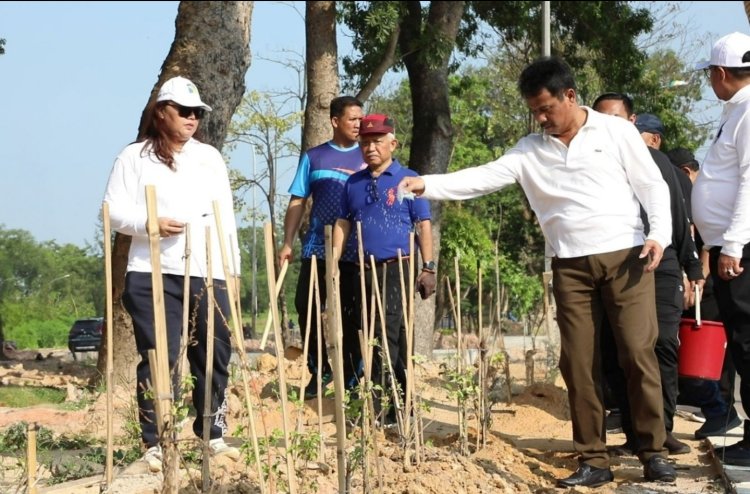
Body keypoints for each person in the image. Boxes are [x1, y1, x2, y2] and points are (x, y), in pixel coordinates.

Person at [399, 57, 676, 487]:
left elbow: (652, 186)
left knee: (638, 354)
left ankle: (654, 452)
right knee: (578, 363)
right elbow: (483, 177)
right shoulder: (530, 150)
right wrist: (427, 184)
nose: (541, 118)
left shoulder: (615, 131)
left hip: (628, 257)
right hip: (570, 265)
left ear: (570, 95)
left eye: (547, 108)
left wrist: (659, 234)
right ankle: (594, 460)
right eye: (534, 111)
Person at [103, 76, 240, 472]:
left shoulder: (209, 157)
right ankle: (156, 441)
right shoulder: (134, 157)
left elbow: (225, 216)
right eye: (184, 111)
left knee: (214, 352)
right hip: (152, 272)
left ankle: (211, 431)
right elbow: (111, 211)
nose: (192, 119)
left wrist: (230, 269)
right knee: (159, 357)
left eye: (197, 112)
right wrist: (151, 223)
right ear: (161, 112)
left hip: (206, 269)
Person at [590, 97, 703, 457]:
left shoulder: (658, 163)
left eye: (617, 118)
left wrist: (693, 269)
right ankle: (634, 433)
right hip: (617, 265)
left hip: (663, 265)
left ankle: (662, 428)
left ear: (632, 120)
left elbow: (680, 218)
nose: (610, 124)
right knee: (620, 350)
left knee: (661, 346)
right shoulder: (589, 163)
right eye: (602, 118)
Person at [332, 113, 436, 426]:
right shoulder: (353, 183)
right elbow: (343, 222)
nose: (370, 147)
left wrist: (428, 266)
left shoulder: (407, 179)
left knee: (389, 334)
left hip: (397, 267)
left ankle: (390, 408)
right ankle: (388, 406)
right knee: (372, 333)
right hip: (362, 269)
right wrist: (333, 263)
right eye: (364, 142)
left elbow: (423, 224)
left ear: (393, 143)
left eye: (377, 141)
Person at [279, 96, 365, 399]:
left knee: (351, 313)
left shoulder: (368, 154)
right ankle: (319, 370)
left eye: (360, 118)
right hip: (317, 246)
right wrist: (287, 242)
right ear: (334, 121)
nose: (359, 124)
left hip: (356, 249)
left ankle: (354, 377)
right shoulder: (314, 157)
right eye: (352, 119)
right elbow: (298, 200)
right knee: (307, 306)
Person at [692, 31, 750, 467]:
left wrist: (732, 244)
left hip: (742, 249)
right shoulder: (737, 111)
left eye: (711, 73)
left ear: (721, 72)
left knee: (748, 343)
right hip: (733, 246)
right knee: (742, 342)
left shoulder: (748, 111)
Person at [667, 147, 741, 440]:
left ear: (684, 173)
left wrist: (698, 278)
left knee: (706, 351)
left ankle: (721, 410)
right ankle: (717, 410)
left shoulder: (701, 197)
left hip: (705, 286)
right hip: (697, 283)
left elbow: (708, 242)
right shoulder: (695, 197)